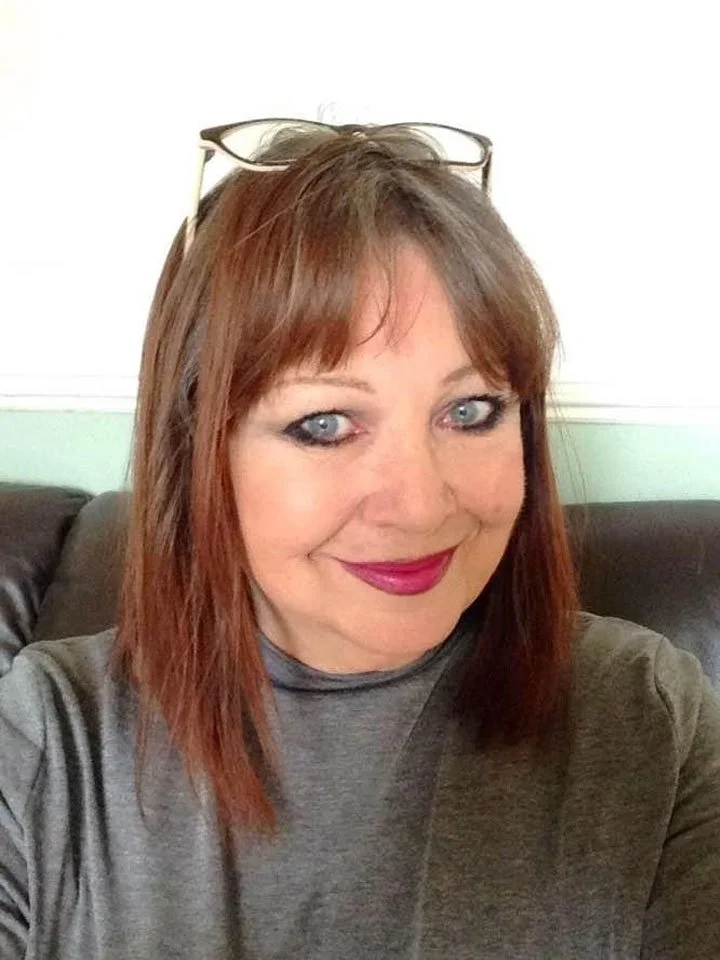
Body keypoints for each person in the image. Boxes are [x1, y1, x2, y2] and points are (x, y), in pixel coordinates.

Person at [1, 119, 718, 960]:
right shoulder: (44, 743)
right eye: (326, 422)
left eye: (471, 411)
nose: (419, 506)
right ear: (198, 453)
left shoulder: (643, 718)